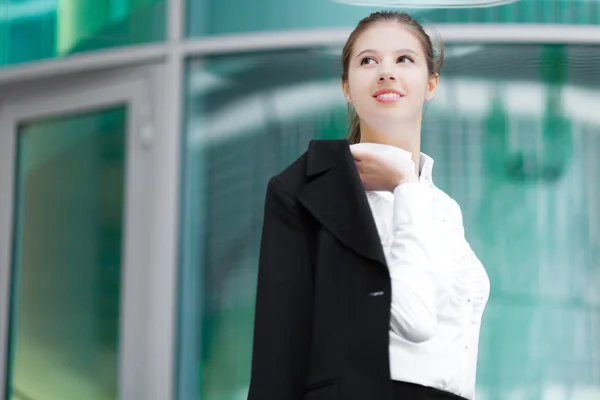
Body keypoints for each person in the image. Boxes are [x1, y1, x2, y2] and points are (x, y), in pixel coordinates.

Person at [247, 10, 490, 400]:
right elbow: (415, 321)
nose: (386, 72)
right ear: (347, 86)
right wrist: (403, 185)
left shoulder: (444, 208)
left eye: (404, 59)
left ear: (431, 84)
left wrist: (409, 186)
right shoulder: (317, 191)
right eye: (368, 60)